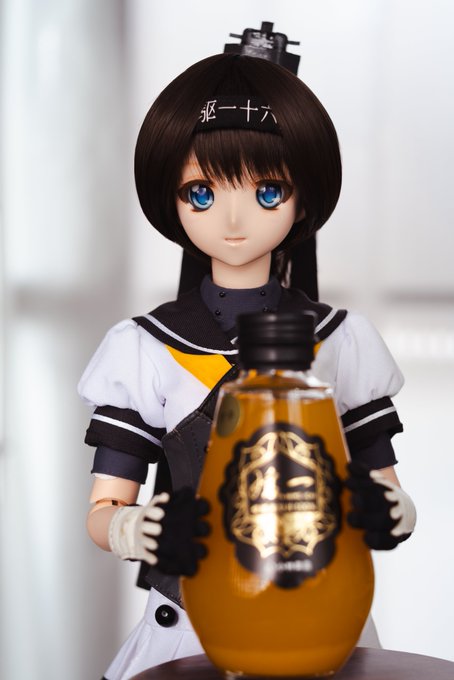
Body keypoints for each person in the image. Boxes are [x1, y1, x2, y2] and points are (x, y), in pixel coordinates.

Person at [78, 53, 416, 680]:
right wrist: (135, 529)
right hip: (188, 621)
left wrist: (389, 512)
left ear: (302, 197)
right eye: (202, 193)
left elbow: (386, 485)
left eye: (267, 192)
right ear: (172, 197)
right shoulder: (145, 348)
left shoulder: (339, 342)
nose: (233, 222)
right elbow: (105, 507)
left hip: (321, 613)